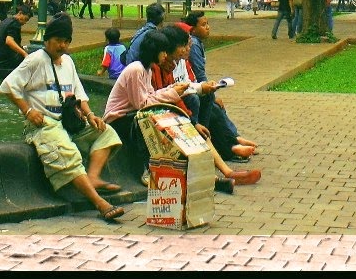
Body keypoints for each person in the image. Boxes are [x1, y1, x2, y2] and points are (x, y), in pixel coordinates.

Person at [0, 13, 128, 222]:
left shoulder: (68, 62)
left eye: (66, 41)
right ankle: (99, 203)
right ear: (47, 40)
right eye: (58, 40)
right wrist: (29, 111)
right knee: (65, 151)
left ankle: (93, 177)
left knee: (106, 133)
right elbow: (8, 87)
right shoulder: (35, 61)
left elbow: (78, 93)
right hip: (44, 124)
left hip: (69, 121)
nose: (62, 45)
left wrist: (90, 115)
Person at [110, 27, 261, 188]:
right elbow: (143, 104)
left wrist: (175, 94)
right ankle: (149, 170)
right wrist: (173, 93)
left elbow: (152, 97)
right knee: (176, 131)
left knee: (188, 127)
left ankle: (221, 175)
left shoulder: (146, 69)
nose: (165, 56)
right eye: (163, 52)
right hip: (123, 119)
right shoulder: (137, 69)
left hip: (140, 114)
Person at [183, 11, 256, 160]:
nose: (208, 27)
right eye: (203, 25)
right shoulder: (194, 45)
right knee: (213, 108)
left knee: (214, 107)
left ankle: (234, 140)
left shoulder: (192, 49)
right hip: (189, 96)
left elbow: (193, 76)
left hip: (195, 90)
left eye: (207, 24)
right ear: (192, 29)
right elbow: (198, 74)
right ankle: (231, 146)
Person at [0, 3, 34, 70]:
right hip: (3, 60)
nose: (24, 22)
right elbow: (9, 41)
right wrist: (24, 54)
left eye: (27, 20)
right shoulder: (15, 24)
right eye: (25, 19)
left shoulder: (7, 20)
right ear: (20, 13)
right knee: (34, 56)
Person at [120, 2, 167, 66]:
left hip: (130, 64)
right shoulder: (152, 34)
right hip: (136, 66)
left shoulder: (144, 29)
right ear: (162, 17)